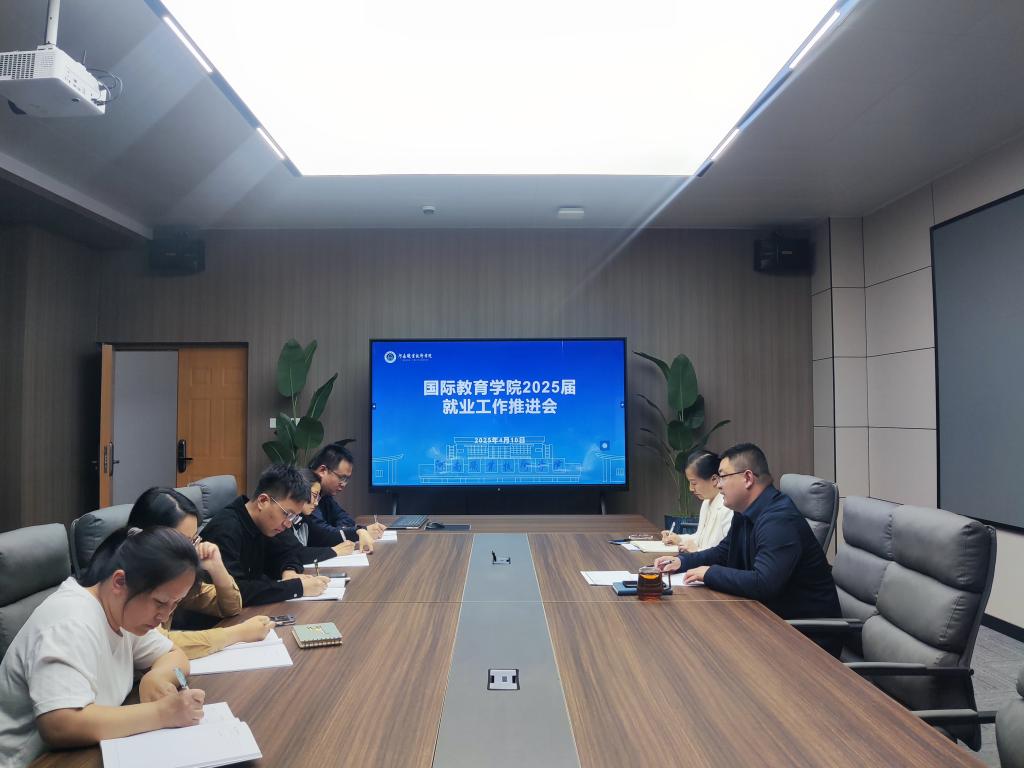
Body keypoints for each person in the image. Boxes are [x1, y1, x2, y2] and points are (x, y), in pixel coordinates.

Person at [0, 527, 206, 767]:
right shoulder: (70, 622)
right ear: (119, 582)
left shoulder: (126, 615)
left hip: (87, 752)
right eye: (160, 602)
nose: (165, 616)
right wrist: (162, 713)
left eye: (175, 604)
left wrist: (158, 677)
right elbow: (60, 723)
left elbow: (176, 657)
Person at [654, 443, 840, 621]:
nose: (718, 485)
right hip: (767, 615)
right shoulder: (745, 511)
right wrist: (683, 561)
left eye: (723, 477)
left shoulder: (779, 520)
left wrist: (710, 573)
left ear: (748, 478)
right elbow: (724, 551)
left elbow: (763, 583)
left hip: (805, 632)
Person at [126, 487, 274, 659]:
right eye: (185, 542)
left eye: (194, 539)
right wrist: (238, 633)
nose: (193, 550)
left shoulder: (174, 575)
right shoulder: (130, 580)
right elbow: (159, 643)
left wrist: (217, 568)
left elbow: (231, 607)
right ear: (151, 538)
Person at [199, 464, 329, 605]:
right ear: (263, 501)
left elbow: (289, 552)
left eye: (294, 517)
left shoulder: (265, 523)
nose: (288, 524)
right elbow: (235, 592)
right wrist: (297, 588)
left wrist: (289, 572)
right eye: (288, 514)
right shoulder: (225, 529)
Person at [268, 469, 356, 580]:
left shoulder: (305, 517)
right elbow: (296, 552)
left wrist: (358, 531)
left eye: (318, 497)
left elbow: (325, 535)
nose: (316, 502)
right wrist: (334, 551)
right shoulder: (280, 522)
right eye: (314, 495)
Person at [309, 443, 386, 553]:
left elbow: (344, 518)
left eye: (346, 479)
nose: (344, 484)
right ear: (322, 471)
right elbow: (322, 534)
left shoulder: (324, 493)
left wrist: (341, 531)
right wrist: (360, 531)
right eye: (341, 478)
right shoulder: (306, 490)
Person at [660, 450, 732, 553]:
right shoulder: (706, 502)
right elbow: (699, 538)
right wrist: (679, 539)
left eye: (694, 483)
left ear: (714, 479)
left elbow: (726, 553)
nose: (691, 488)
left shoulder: (728, 507)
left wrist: (697, 551)